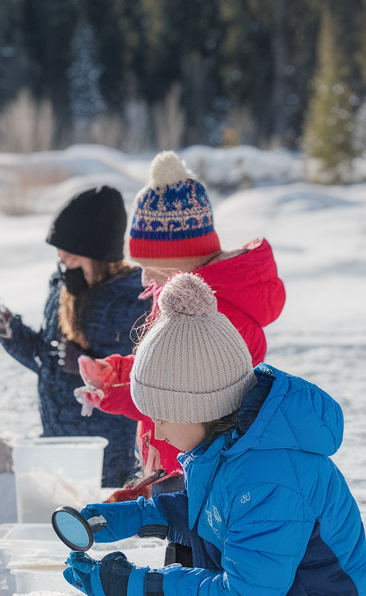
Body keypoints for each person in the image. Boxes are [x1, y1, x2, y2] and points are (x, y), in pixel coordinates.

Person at [64, 272, 366, 596]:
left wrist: (132, 586)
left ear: (200, 405)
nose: (156, 430)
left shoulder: (270, 478)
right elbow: (210, 510)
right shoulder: (231, 444)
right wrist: (134, 516)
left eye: (160, 415)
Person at [78, 151, 286, 482]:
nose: (145, 278)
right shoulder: (177, 296)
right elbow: (166, 368)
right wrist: (117, 371)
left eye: (154, 268)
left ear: (185, 260)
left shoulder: (215, 316)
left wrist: (117, 394)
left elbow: (181, 401)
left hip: (199, 478)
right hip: (173, 468)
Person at [0, 184, 150, 487]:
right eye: (59, 251)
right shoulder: (63, 286)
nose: (62, 258)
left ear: (98, 252)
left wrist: (88, 364)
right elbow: (48, 359)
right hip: (59, 441)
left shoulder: (132, 299)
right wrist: (14, 335)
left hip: (109, 451)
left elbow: (142, 375)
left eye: (70, 253)